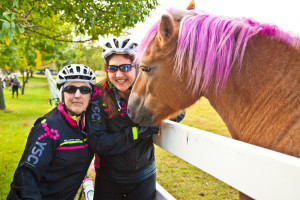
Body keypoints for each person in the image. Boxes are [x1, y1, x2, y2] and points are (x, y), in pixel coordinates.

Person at [86, 36, 185, 200]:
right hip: (109, 178)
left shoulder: (149, 91)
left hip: (143, 177)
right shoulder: (98, 94)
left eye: (125, 67)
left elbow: (179, 111)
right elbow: (99, 142)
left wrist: (154, 118)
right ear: (106, 69)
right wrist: (140, 131)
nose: (118, 74)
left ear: (137, 67)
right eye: (112, 68)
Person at [7, 64, 96, 200]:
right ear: (62, 93)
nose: (78, 95)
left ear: (90, 95)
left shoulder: (86, 126)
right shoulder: (48, 128)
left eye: (84, 89)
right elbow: (25, 178)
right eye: (71, 89)